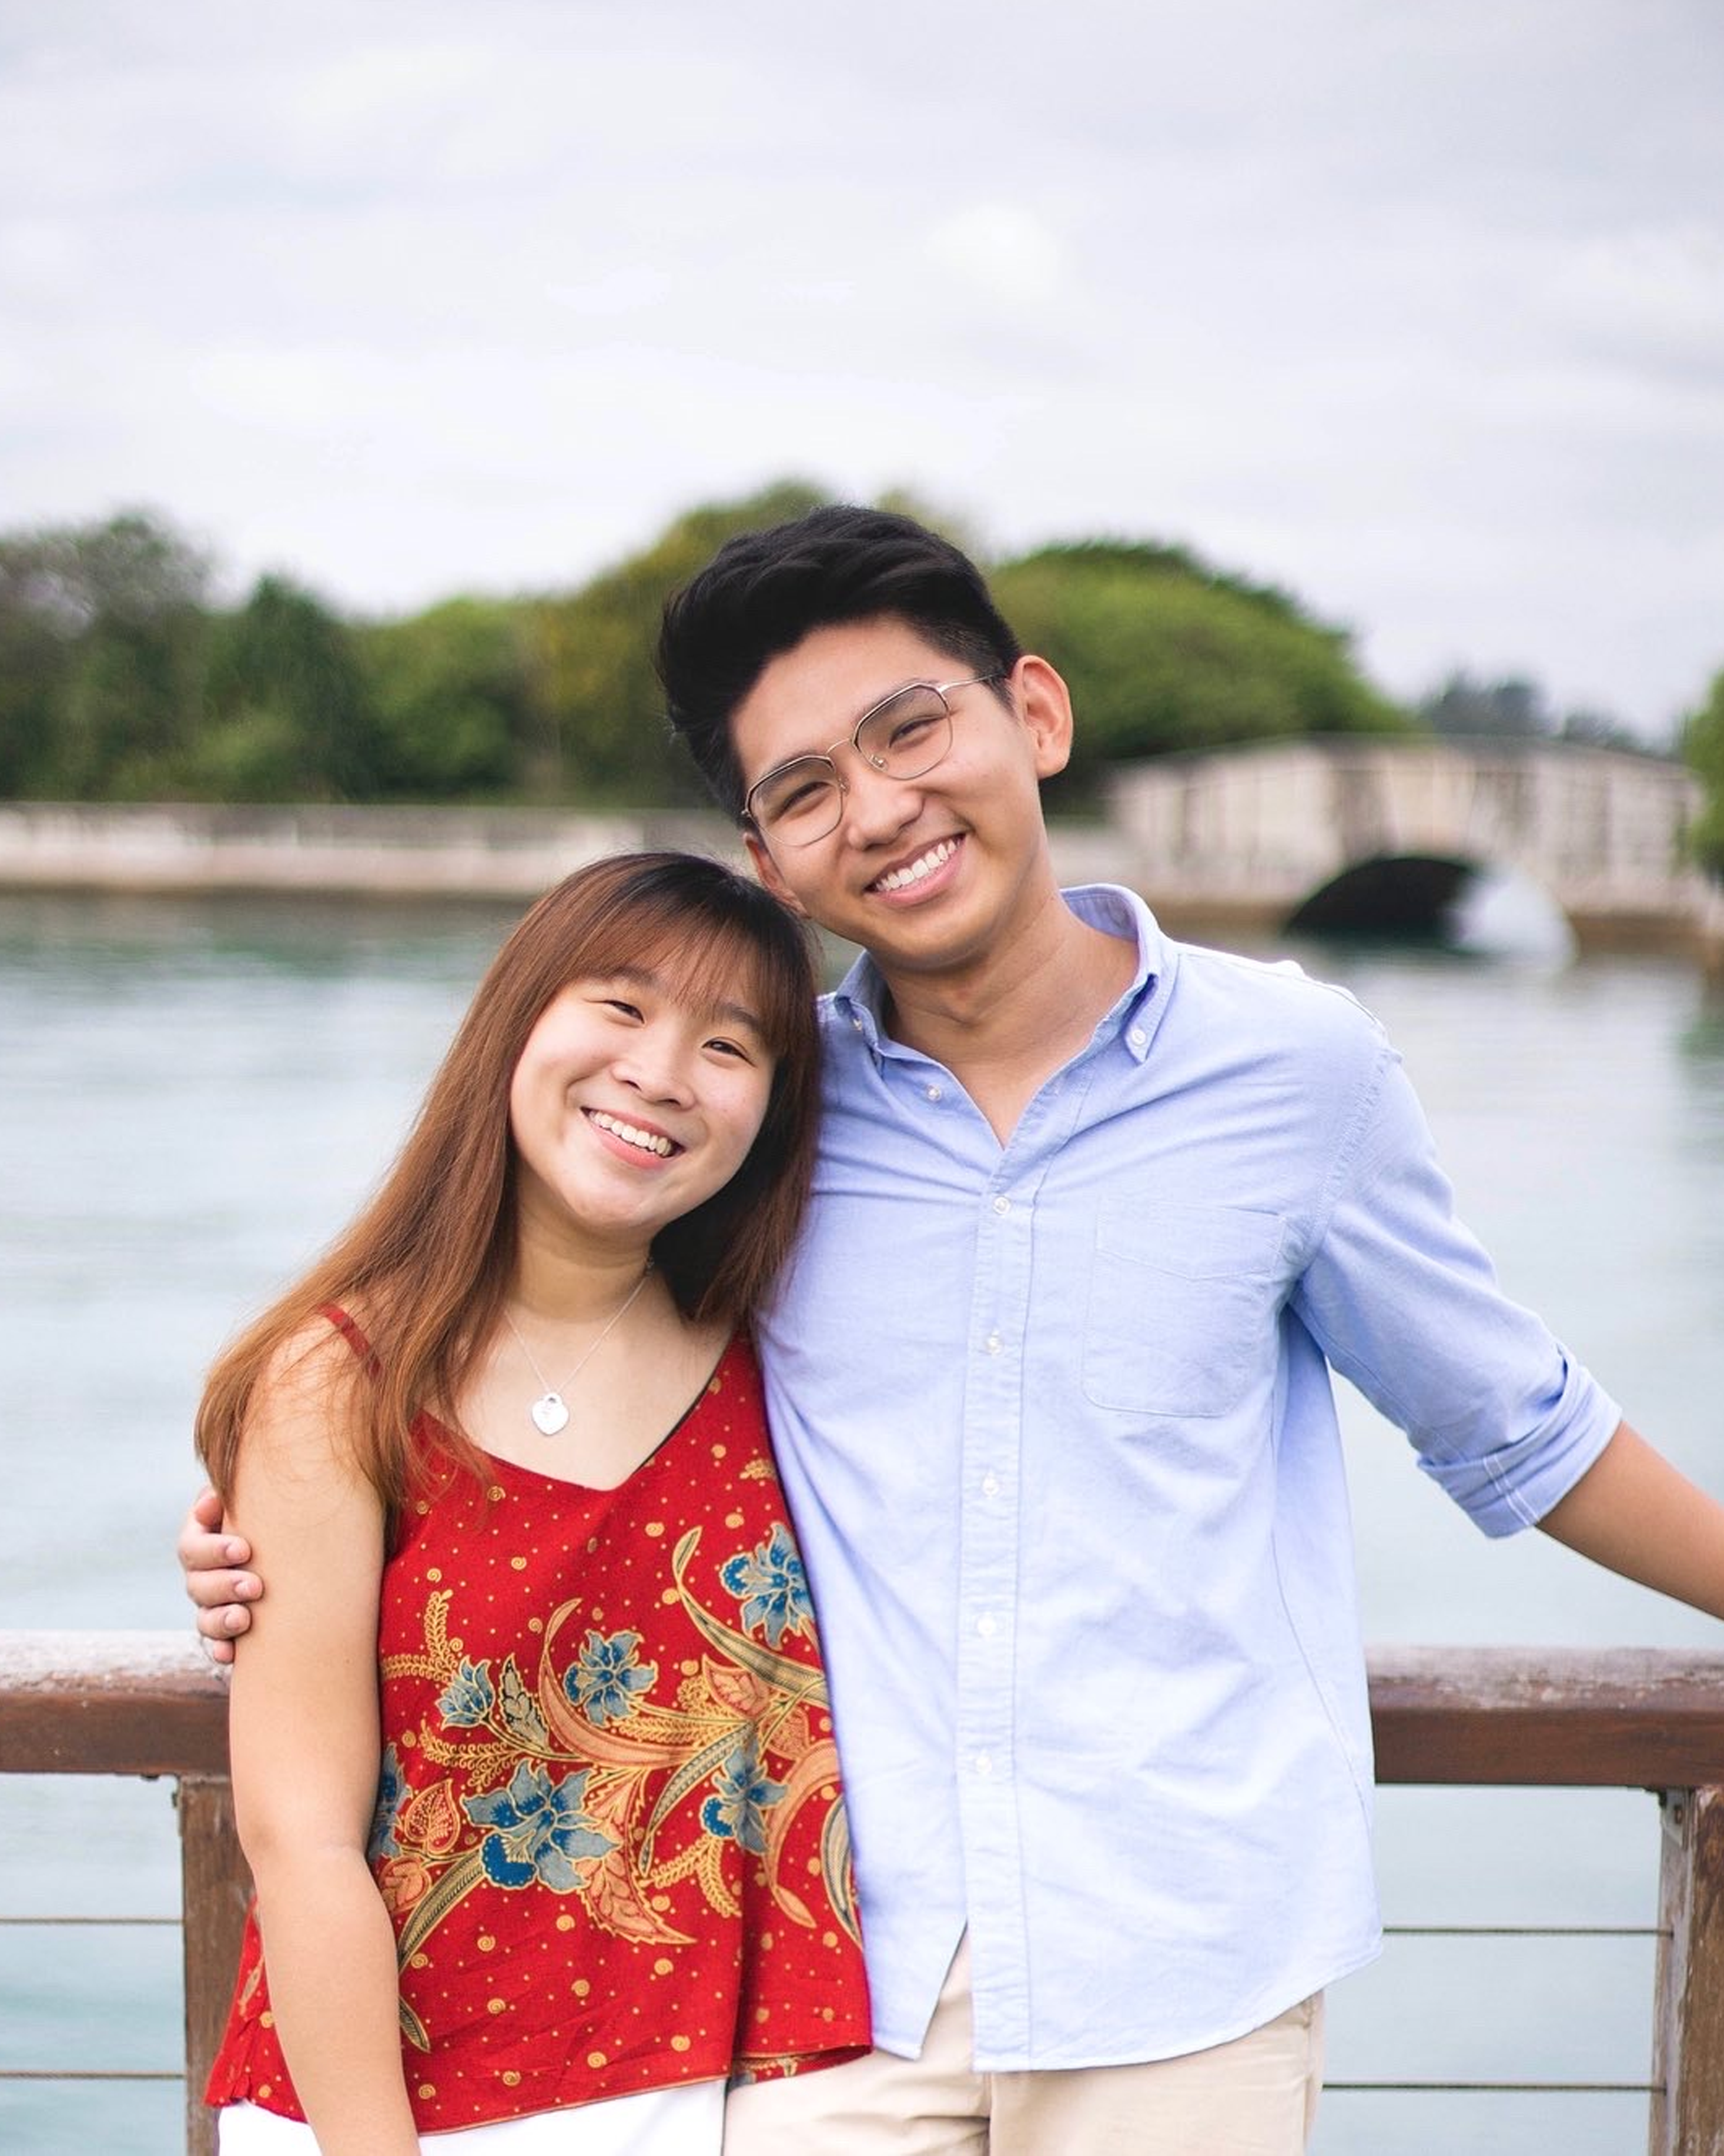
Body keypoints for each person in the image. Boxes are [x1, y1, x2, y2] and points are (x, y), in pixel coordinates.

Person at [186, 507, 1724, 2155]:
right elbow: (532, 1351)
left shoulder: (1298, 1076)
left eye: (911, 728)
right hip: (822, 2002)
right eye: (803, 790)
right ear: (769, 861)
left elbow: (1517, 1427)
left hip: (1186, 1972)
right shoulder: (753, 1118)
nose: (882, 810)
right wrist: (285, 1519)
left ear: (1033, 716)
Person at [190, 850, 869, 2155]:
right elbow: (301, 1842)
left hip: (722, 2102)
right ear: (517, 1023)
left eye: (729, 1047)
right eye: (619, 1007)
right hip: (383, 2109)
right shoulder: (343, 1383)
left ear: (773, 1113)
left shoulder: (780, 1363)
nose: (662, 1074)